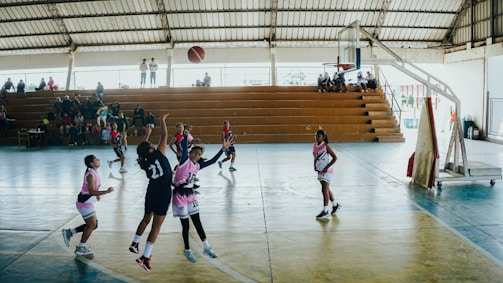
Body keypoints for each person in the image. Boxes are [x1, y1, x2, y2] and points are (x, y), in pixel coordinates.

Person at [172, 128, 233, 263]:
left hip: (190, 195)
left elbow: (211, 161)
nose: (196, 155)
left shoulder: (197, 166)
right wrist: (186, 135)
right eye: (194, 152)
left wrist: (222, 149)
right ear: (191, 152)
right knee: (186, 225)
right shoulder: (184, 161)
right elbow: (183, 147)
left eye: (199, 154)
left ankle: (206, 247)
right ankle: (187, 249)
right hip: (179, 196)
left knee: (197, 222)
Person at [130, 114, 172, 272]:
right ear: (151, 149)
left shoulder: (143, 161)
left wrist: (146, 135)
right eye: (150, 144)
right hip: (163, 192)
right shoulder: (159, 153)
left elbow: (141, 150)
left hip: (151, 190)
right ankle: (145, 257)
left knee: (146, 218)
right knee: (156, 226)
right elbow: (164, 135)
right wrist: (162, 120)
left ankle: (135, 242)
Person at [61, 155, 114, 256]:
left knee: (94, 224)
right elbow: (91, 191)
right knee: (92, 225)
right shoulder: (90, 175)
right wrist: (106, 191)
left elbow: (94, 189)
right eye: (96, 160)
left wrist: (97, 196)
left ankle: (70, 232)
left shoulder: (94, 173)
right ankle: (80, 247)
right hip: (84, 204)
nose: (98, 160)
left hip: (87, 202)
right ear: (91, 164)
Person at [313, 129, 340, 220]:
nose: (317, 137)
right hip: (320, 170)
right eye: (316, 135)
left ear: (323, 137)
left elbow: (335, 158)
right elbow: (315, 157)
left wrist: (326, 167)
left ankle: (325, 211)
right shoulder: (315, 146)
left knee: (324, 190)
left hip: (327, 171)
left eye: (319, 136)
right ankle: (335, 205)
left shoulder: (326, 146)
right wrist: (315, 165)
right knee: (327, 189)